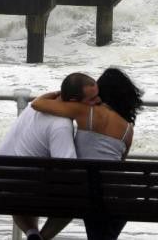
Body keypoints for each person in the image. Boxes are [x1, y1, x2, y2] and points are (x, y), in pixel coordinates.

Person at [31, 67, 144, 240]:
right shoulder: (128, 130)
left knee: (78, 200)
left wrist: (58, 93)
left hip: (90, 193)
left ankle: (39, 236)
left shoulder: (86, 112)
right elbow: (120, 162)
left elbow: (37, 104)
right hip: (120, 196)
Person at [0, 72, 99, 240]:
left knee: (30, 174)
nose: (98, 102)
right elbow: (68, 169)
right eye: (92, 99)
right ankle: (42, 238)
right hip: (21, 190)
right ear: (73, 102)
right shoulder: (61, 125)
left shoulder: (33, 107)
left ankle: (32, 234)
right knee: (77, 197)